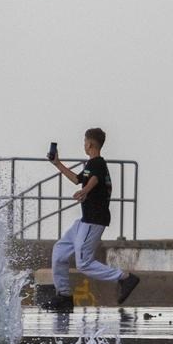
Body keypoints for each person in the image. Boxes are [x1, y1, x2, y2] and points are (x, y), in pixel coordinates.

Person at [45, 128, 139, 311]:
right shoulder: (90, 165)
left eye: (84, 141)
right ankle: (64, 296)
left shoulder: (98, 164)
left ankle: (125, 278)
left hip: (94, 221)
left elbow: (94, 180)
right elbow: (76, 179)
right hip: (84, 221)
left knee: (84, 263)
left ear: (90, 144)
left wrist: (85, 191)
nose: (84, 145)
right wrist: (57, 164)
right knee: (60, 251)